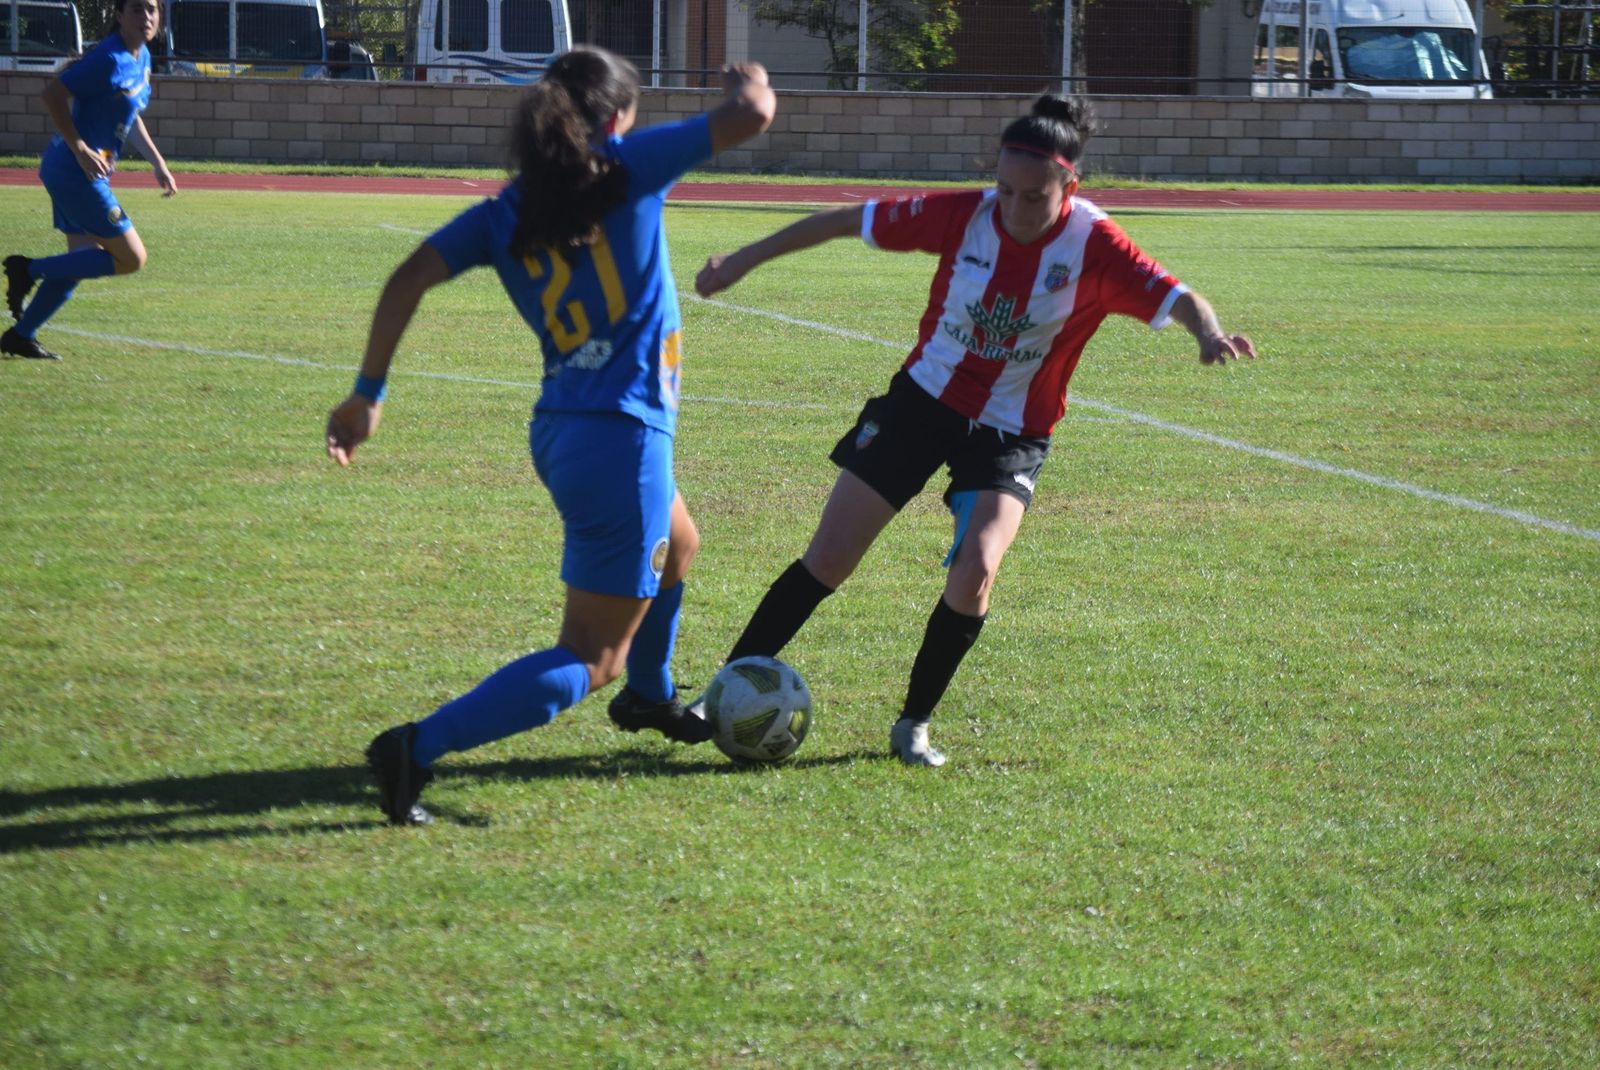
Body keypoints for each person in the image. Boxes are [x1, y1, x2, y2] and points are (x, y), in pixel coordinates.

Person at [694, 94, 1256, 768]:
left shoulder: (1095, 246)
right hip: (920, 405)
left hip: (1011, 432)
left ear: (1069, 188)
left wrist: (1208, 333)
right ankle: (720, 692)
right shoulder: (965, 215)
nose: (1014, 208)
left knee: (977, 571)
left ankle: (913, 725)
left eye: (1034, 196)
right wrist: (741, 262)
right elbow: (845, 220)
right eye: (1004, 190)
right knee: (831, 557)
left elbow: (1179, 297)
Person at [326, 47, 776, 825]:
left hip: (565, 430)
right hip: (622, 437)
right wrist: (750, 83)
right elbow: (752, 118)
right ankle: (414, 748)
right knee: (589, 654)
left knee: (682, 540)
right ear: (614, 117)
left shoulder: (509, 208)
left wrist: (368, 394)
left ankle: (650, 695)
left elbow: (406, 279)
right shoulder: (626, 167)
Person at [3, 0, 176, 361]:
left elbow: (129, 114)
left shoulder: (141, 58)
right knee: (131, 258)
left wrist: (157, 162)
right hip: (73, 172)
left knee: (81, 260)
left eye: (152, 10)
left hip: (73, 171)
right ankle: (27, 269)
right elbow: (52, 94)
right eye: (136, 9)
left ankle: (21, 335)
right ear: (118, 16)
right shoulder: (109, 58)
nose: (145, 17)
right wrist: (80, 146)